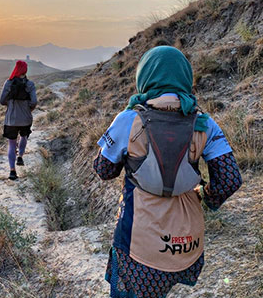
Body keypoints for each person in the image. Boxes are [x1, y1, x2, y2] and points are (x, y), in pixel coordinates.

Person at [93, 46, 242, 298]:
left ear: (145, 76)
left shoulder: (128, 119)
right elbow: (229, 179)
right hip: (186, 245)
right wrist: (206, 196)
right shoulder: (204, 122)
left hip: (139, 246)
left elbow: (104, 169)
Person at [0, 60, 37, 180]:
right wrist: (28, 108)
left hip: (11, 119)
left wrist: (10, 104)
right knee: (24, 136)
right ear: (25, 70)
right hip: (26, 117)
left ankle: (12, 171)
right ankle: (20, 156)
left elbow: (1, 101)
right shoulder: (30, 84)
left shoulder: (8, 83)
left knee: (11, 144)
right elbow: (34, 102)